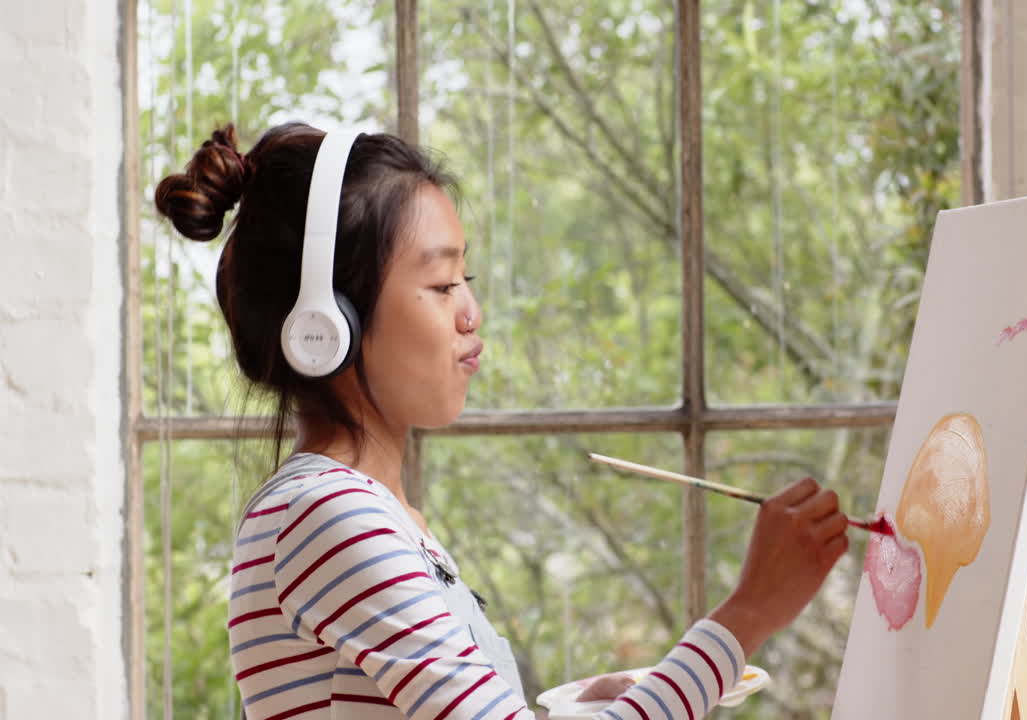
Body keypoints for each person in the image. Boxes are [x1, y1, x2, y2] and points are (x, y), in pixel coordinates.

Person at [154, 123, 850, 720]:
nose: (470, 314)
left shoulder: (370, 514)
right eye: (440, 283)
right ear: (329, 323)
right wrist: (749, 612)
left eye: (468, 282)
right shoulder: (327, 513)